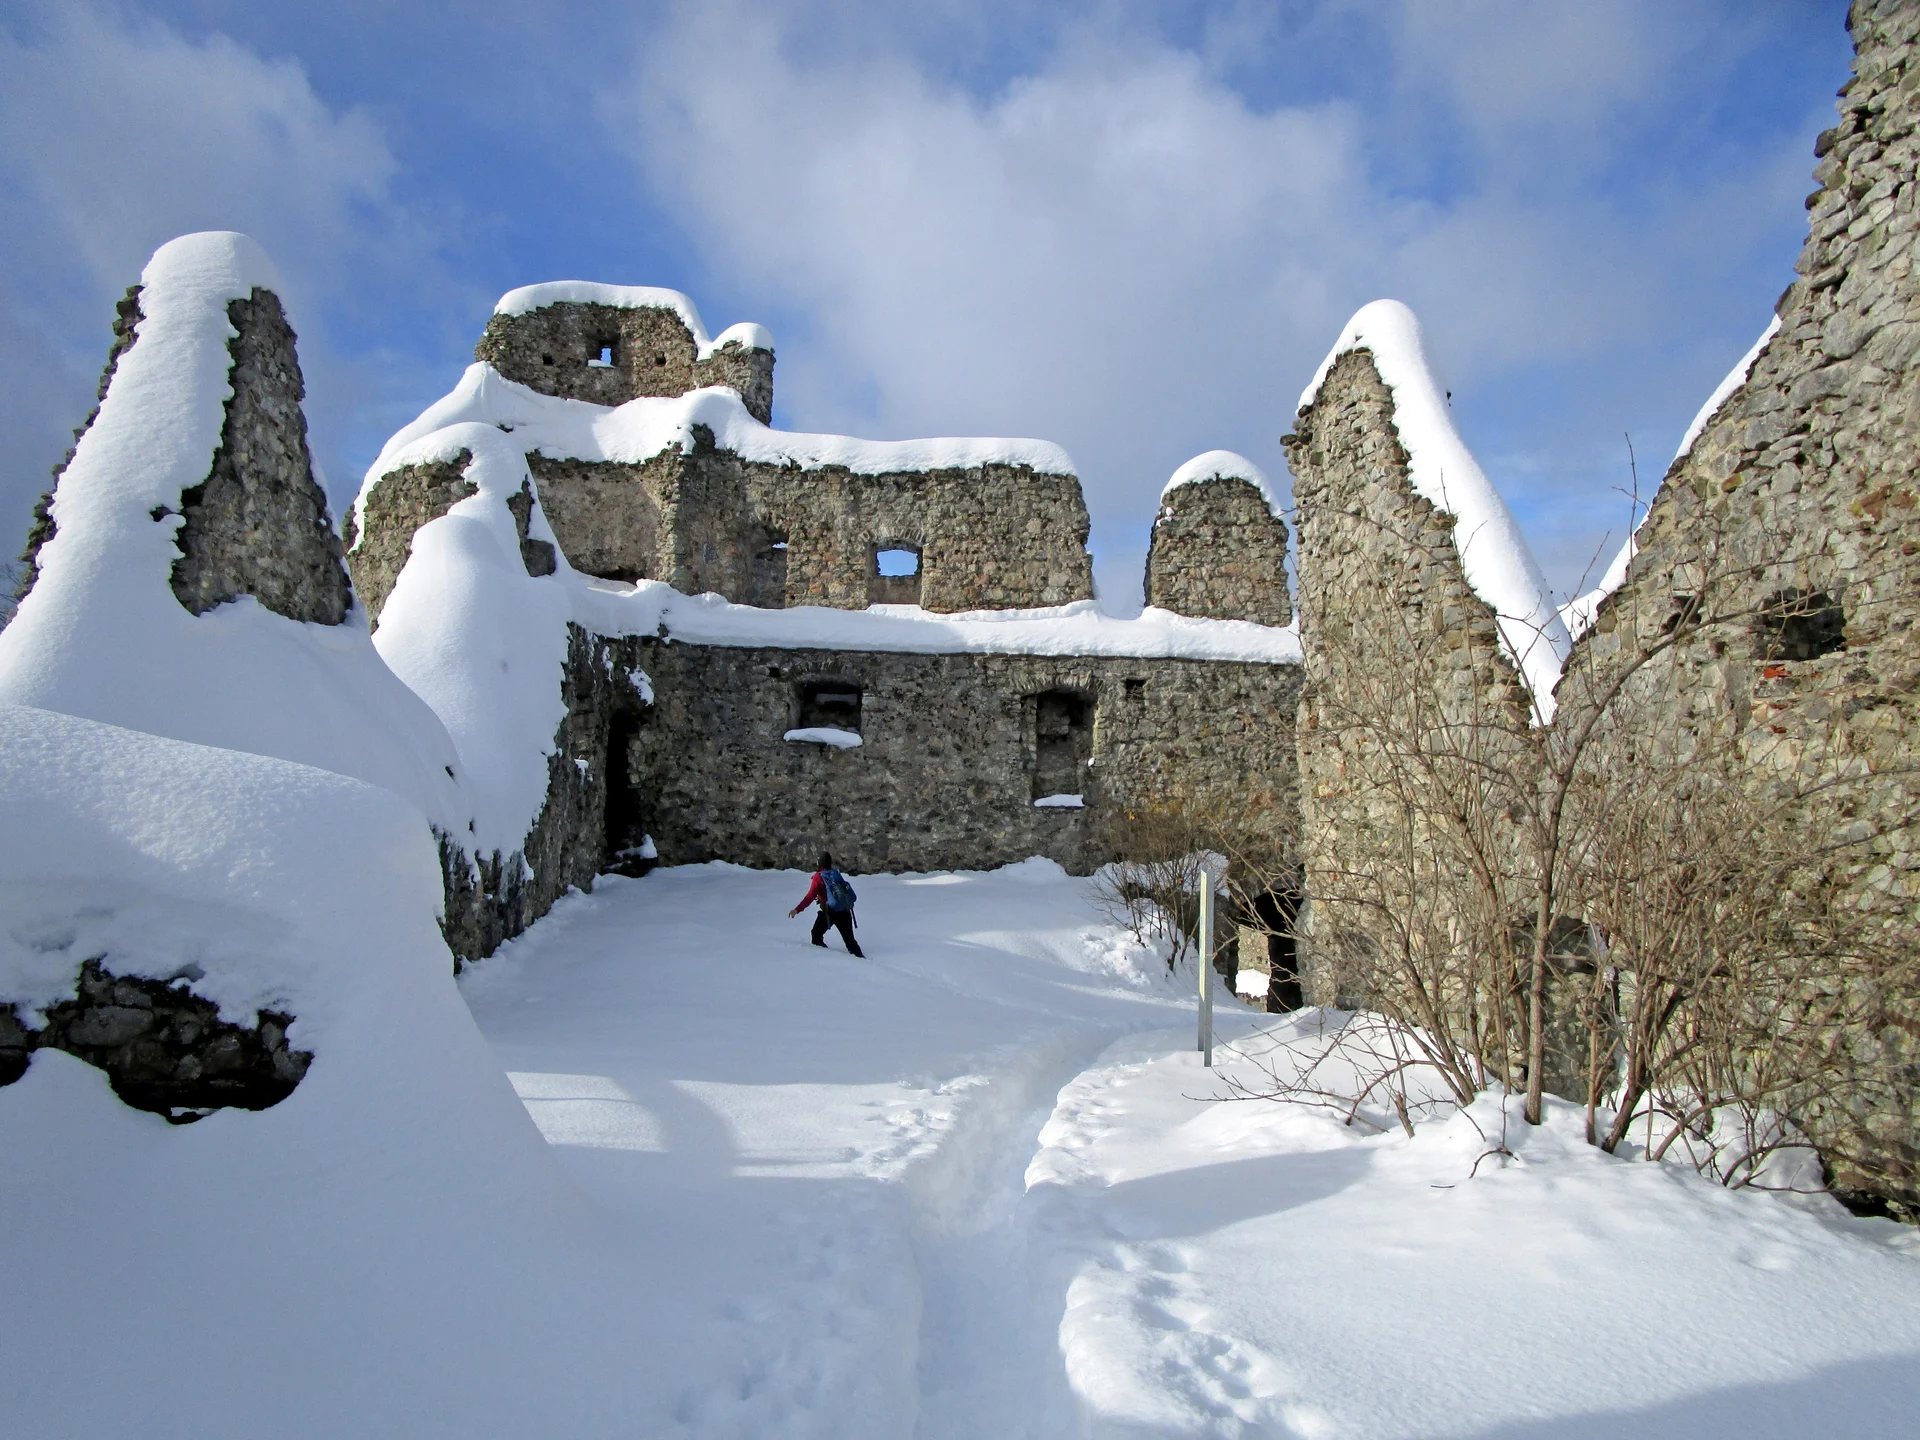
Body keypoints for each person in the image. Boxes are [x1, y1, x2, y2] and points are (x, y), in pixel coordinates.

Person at [789, 851, 864, 957]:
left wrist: (797, 910)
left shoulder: (818, 877)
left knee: (816, 934)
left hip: (829, 913)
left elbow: (810, 897)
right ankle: (861, 961)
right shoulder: (835, 873)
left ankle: (826, 960)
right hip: (845, 911)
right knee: (850, 941)